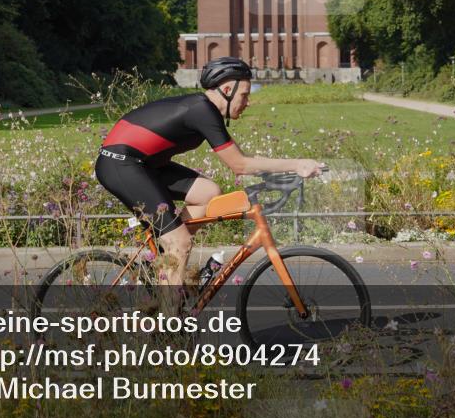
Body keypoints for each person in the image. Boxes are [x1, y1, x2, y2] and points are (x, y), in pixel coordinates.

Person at [95, 57, 323, 313]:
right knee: (180, 241)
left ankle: (168, 261)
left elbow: (241, 159)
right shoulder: (201, 110)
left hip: (145, 164)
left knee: (209, 193)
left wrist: (275, 176)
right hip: (121, 164)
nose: (247, 103)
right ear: (227, 90)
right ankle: (168, 328)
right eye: (245, 95)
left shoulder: (206, 110)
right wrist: (297, 164)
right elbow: (240, 165)